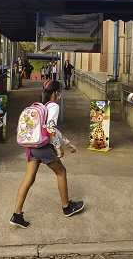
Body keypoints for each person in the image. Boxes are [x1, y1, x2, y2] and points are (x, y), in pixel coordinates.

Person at [9, 80, 84, 228]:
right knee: (61, 172)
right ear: (55, 93)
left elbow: (50, 128)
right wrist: (58, 147)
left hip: (32, 146)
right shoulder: (54, 106)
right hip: (44, 146)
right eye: (59, 91)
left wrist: (67, 142)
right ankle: (67, 207)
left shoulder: (40, 106)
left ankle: (17, 215)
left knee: (28, 179)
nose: (60, 94)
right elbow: (50, 128)